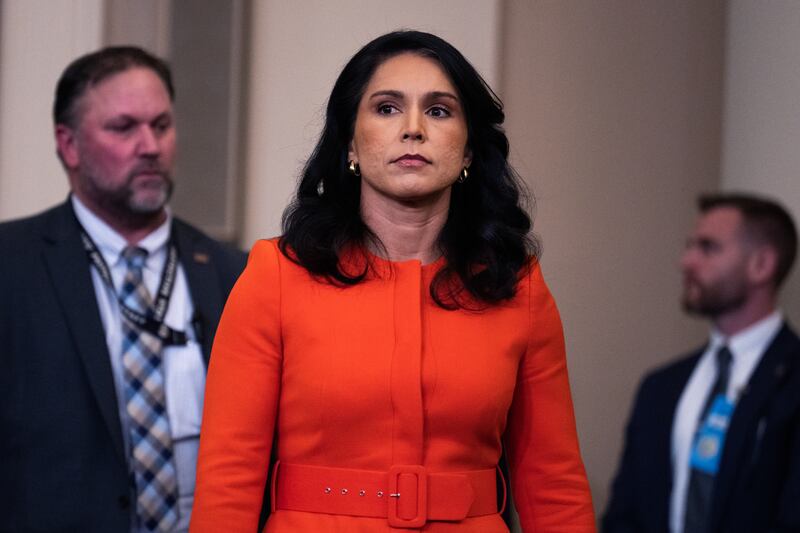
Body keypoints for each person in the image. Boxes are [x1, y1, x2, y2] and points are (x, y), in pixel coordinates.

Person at [190, 30, 595, 532]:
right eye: (386, 108)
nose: (413, 129)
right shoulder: (276, 275)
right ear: (350, 144)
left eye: (439, 111)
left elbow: (554, 486)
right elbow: (227, 482)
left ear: (468, 152)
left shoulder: (518, 288)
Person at [0, 46, 246, 532]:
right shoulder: (11, 266)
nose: (150, 146)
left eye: (161, 125)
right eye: (123, 127)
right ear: (68, 145)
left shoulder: (231, 272)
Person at [602, 193, 800, 532]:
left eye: (708, 248)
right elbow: (624, 515)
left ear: (762, 265)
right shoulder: (660, 387)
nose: (687, 261)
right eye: (690, 246)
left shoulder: (793, 382)